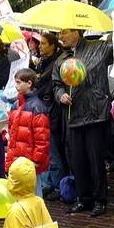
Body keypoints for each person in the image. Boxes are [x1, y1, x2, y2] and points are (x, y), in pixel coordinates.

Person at [52, 28, 113, 217]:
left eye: (65, 32)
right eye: (59, 33)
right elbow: (56, 84)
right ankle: (83, 198)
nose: (60, 37)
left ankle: (99, 200)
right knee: (77, 160)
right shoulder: (62, 58)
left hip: (95, 114)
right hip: (73, 115)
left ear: (76, 32)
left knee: (95, 159)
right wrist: (60, 95)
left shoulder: (99, 48)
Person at [6, 68, 50, 196]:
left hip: (29, 161)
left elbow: (42, 138)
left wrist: (36, 160)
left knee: (34, 194)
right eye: (16, 82)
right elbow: (12, 132)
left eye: (19, 82)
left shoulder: (37, 107)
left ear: (29, 83)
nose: (16, 85)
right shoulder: (16, 105)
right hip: (17, 158)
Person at [34, 33, 66, 200]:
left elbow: (46, 87)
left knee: (53, 150)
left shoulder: (56, 63)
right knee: (47, 149)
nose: (40, 46)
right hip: (45, 109)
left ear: (53, 46)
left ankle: (58, 186)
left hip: (51, 111)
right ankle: (50, 184)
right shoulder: (42, 62)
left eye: (44, 44)